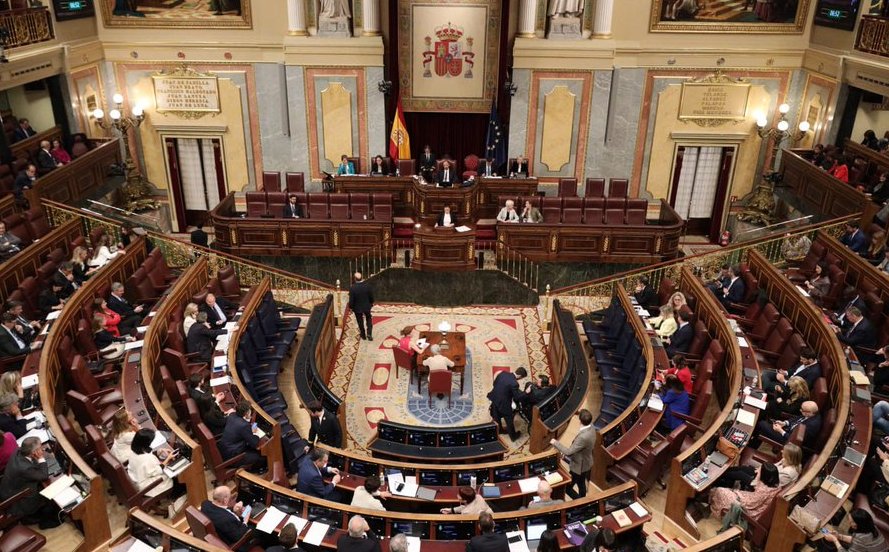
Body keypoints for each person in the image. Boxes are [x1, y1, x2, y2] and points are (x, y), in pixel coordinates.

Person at [0, 436, 60, 529]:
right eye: (40, 448)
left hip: (9, 489)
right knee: (51, 496)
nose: (43, 449)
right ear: (33, 453)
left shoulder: (18, 451)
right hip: (20, 499)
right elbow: (44, 476)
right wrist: (41, 458)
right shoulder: (24, 468)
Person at [709, 463, 783, 532]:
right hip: (751, 501)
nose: (757, 473)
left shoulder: (764, 491)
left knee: (720, 490)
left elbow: (749, 504)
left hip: (750, 510)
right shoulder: (777, 486)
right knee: (730, 489)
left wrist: (737, 494)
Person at [714, 443, 802, 491]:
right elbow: (773, 467)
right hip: (763, 475)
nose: (782, 451)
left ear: (790, 456)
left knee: (739, 474)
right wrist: (760, 470)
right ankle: (723, 482)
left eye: (784, 451)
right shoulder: (787, 460)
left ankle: (717, 482)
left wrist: (757, 476)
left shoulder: (788, 473)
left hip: (761, 486)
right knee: (741, 469)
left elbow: (771, 486)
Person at [550, 409, 596, 499]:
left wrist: (555, 443)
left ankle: (579, 502)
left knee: (568, 488)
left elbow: (568, 451)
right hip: (586, 462)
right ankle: (583, 498)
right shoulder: (591, 426)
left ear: (580, 421)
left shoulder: (583, 437)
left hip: (578, 467)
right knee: (581, 482)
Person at [127, 428, 176, 498]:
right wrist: (168, 458)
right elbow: (157, 471)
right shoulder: (147, 458)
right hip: (147, 485)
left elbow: (147, 455)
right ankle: (173, 495)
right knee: (172, 475)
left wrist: (160, 450)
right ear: (146, 443)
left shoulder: (134, 450)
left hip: (136, 477)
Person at [753, 400, 821, 449]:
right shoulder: (811, 414)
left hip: (787, 440)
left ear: (809, 412)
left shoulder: (811, 426)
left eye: (802, 410)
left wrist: (780, 431)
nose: (800, 410)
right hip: (787, 430)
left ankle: (752, 446)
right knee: (767, 420)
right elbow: (797, 418)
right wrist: (784, 423)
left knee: (761, 424)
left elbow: (794, 441)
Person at [218, 401, 264, 470]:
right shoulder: (244, 425)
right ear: (246, 413)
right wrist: (254, 433)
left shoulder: (232, 416)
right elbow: (254, 443)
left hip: (224, 450)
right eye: (249, 412)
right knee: (260, 457)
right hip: (233, 456)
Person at [488, 366, 527, 440]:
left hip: (494, 397)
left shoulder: (502, 373)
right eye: (521, 378)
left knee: (496, 416)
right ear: (520, 376)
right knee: (509, 419)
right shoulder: (514, 383)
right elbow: (517, 397)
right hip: (504, 403)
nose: (520, 379)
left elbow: (494, 384)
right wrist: (525, 392)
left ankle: (500, 430)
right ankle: (513, 436)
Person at [821, 508, 886, 551]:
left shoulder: (860, 537)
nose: (849, 523)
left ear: (857, 525)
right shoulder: (872, 527)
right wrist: (839, 536)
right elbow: (859, 542)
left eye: (851, 521)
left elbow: (859, 541)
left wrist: (835, 540)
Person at [348, 272, 374, 341]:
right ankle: (369, 333)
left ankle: (363, 335)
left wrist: (350, 307)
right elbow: (371, 297)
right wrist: (371, 303)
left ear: (354, 279)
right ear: (361, 278)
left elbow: (351, 300)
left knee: (360, 321)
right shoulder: (367, 286)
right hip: (366, 307)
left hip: (357, 308)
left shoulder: (352, 288)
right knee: (369, 318)